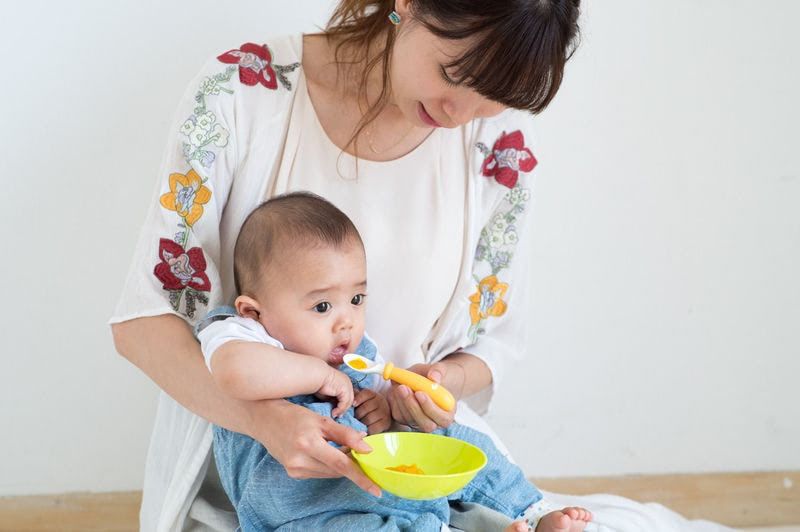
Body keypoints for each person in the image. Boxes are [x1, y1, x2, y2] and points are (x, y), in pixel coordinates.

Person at [110, 1, 582, 530]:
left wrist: (439, 383)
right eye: (455, 74)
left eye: (492, 98)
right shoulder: (241, 93)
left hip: (406, 468)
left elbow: (489, 345)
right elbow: (146, 323)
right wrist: (265, 420)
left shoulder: (502, 149)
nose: (460, 115)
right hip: (260, 482)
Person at [196, 191, 593, 531]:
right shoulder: (243, 333)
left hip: (382, 484)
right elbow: (233, 373)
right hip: (302, 507)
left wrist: (389, 410)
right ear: (254, 311)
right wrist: (318, 374)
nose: (345, 321)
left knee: (454, 438)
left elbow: (389, 413)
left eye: (356, 299)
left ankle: (533, 509)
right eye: (321, 305)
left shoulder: (356, 352)